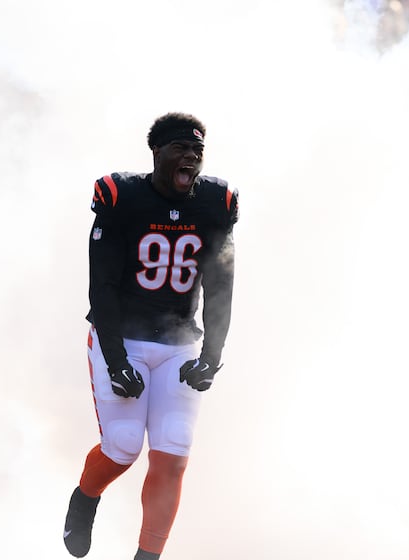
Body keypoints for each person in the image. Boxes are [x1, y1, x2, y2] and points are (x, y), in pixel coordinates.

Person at [64, 112, 239, 560]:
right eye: (181, 147)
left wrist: (211, 355)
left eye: (198, 149)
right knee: (123, 446)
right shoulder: (122, 197)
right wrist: (116, 358)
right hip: (123, 336)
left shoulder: (214, 203)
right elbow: (101, 286)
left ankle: (148, 556)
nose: (191, 156)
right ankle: (85, 497)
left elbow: (221, 285)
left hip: (180, 341)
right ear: (156, 152)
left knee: (175, 445)